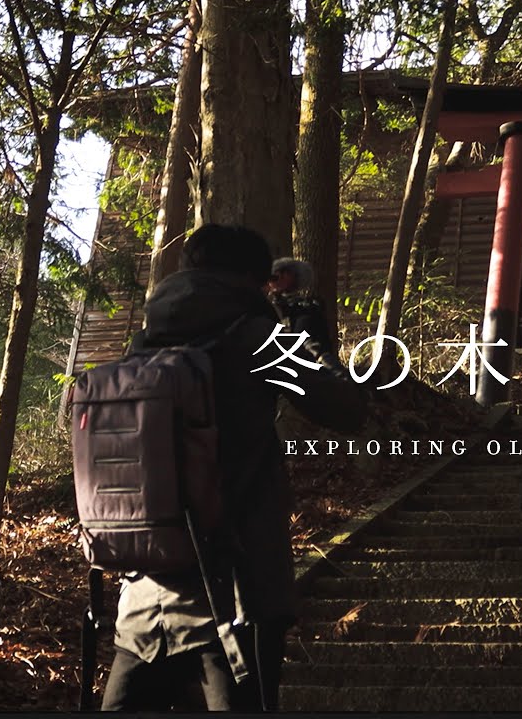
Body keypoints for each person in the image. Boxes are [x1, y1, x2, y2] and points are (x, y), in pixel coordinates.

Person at [101, 225, 367, 711]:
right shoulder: (257, 339)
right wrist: (314, 343)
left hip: (143, 603)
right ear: (253, 279)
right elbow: (345, 409)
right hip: (236, 598)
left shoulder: (142, 345)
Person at [268, 257, 347, 375]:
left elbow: (309, 338)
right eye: (276, 276)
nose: (279, 279)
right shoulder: (266, 304)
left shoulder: (307, 306)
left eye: (285, 274)